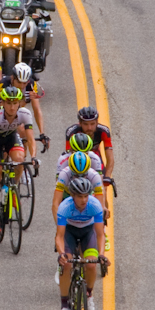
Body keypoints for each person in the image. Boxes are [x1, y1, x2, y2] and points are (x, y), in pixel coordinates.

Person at [0, 85, 36, 236]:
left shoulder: (25, 114)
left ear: (19, 103)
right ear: (2, 103)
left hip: (11, 137)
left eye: (15, 103)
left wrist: (33, 157)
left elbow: (31, 139)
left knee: (19, 160)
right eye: (8, 103)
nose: (12, 107)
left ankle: (13, 187)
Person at [55, 177, 108, 310]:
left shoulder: (95, 205)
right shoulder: (65, 207)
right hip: (70, 232)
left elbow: (100, 234)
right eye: (79, 196)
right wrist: (61, 254)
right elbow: (59, 236)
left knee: (91, 265)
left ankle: (89, 295)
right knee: (67, 264)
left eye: (86, 196)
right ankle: (64, 306)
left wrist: (101, 254)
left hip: (88, 232)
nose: (83, 200)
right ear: (73, 196)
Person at [65, 106, 115, 251]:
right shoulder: (72, 132)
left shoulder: (103, 131)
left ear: (97, 122)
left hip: (95, 161)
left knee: (102, 191)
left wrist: (107, 177)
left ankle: (102, 230)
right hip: (77, 161)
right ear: (80, 123)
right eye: (86, 124)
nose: (89, 128)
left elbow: (110, 159)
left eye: (93, 124)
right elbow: (68, 156)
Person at [53, 151, 107, 223]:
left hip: (87, 195)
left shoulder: (94, 176)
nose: (79, 178)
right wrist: (59, 226)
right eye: (76, 175)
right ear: (71, 170)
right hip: (68, 194)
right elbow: (55, 204)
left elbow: (100, 207)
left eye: (84, 175)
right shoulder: (64, 174)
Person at [10, 61, 47, 145]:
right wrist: (25, 100)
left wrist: (42, 133)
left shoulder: (31, 84)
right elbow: (5, 108)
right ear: (13, 78)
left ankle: (23, 152)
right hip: (2, 110)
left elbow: (37, 110)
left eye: (24, 83)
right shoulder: (5, 84)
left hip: (17, 110)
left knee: (24, 131)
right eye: (19, 82)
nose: (21, 86)